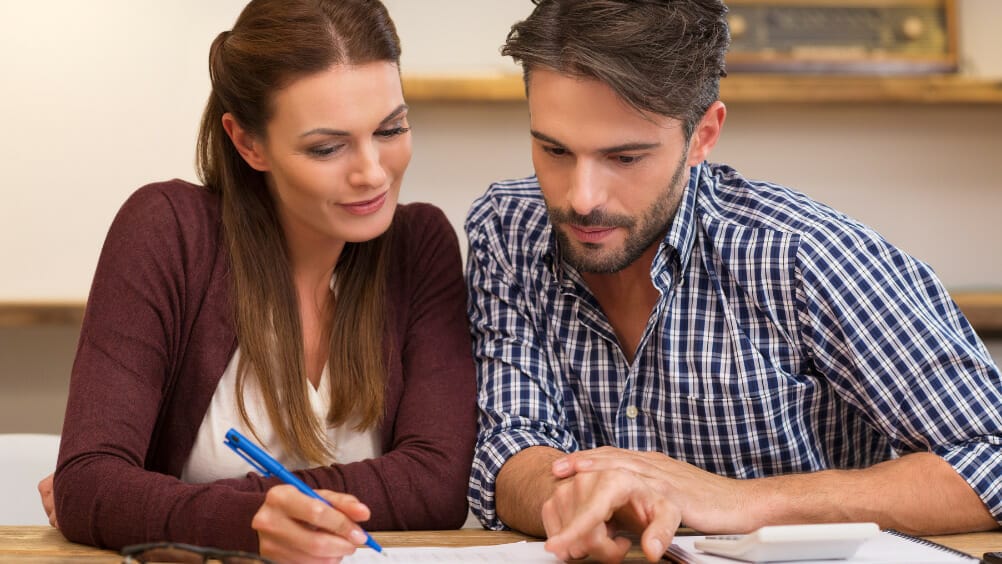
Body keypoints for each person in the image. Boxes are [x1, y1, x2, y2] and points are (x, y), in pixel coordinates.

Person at [464, 1, 1002, 562]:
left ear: (703, 135)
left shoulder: (802, 255)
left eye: (624, 157)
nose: (581, 198)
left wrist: (740, 500)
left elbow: (992, 455)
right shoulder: (508, 231)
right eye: (553, 150)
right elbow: (511, 442)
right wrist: (569, 497)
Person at [37, 1, 476, 562]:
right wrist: (247, 521)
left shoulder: (420, 246)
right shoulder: (167, 232)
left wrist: (171, 503)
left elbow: (437, 485)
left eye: (391, 128)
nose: (372, 171)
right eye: (327, 147)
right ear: (248, 144)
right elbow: (92, 481)